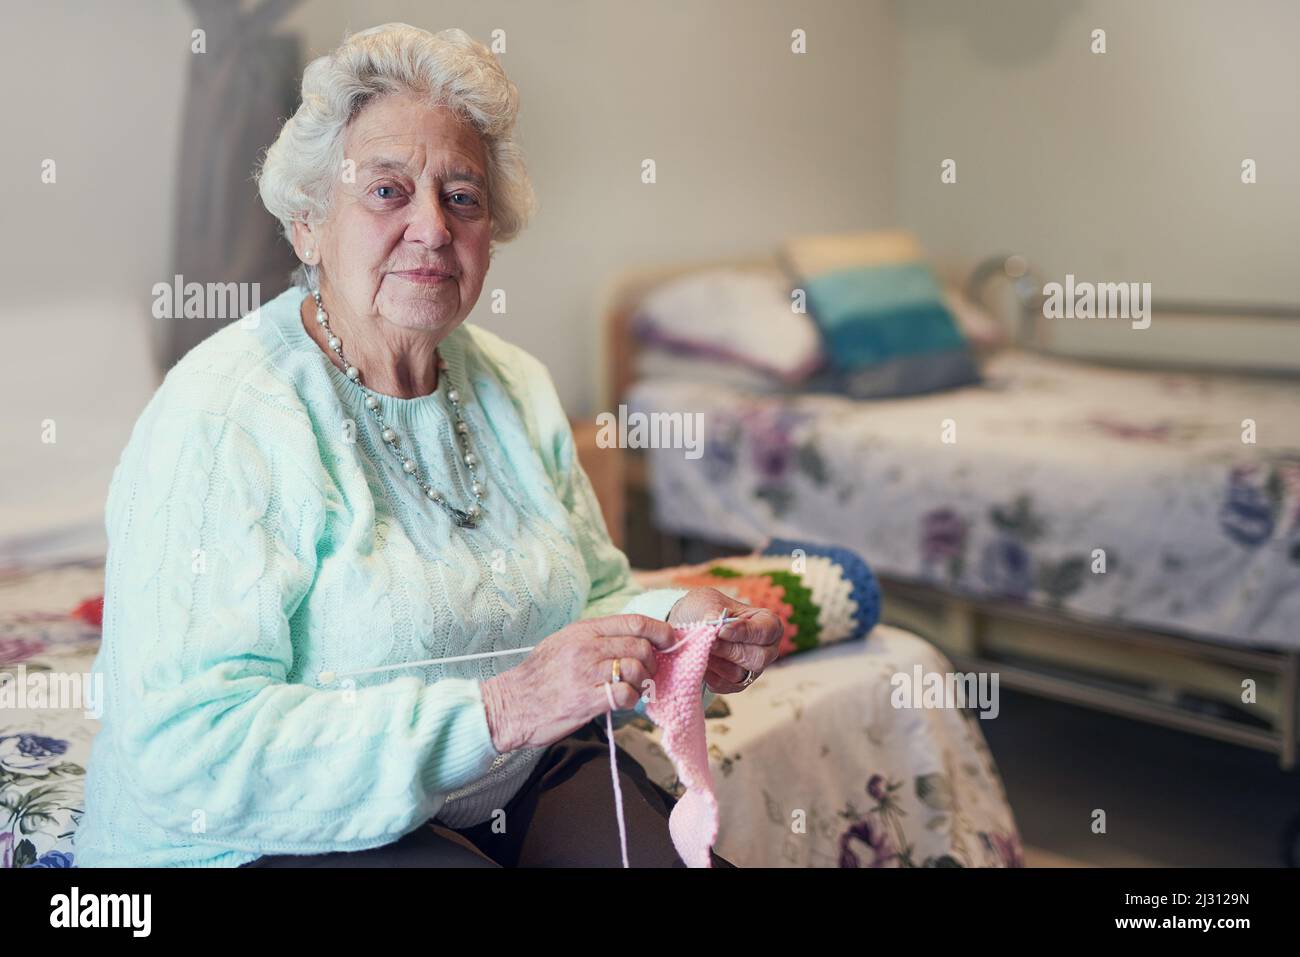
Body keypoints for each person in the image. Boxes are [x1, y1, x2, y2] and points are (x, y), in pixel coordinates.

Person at [77, 22, 780, 868]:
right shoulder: (225, 417)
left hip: (501, 779)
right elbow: (186, 752)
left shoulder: (514, 383)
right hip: (259, 835)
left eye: (461, 196)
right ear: (307, 225)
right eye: (385, 191)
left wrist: (679, 624)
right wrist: (502, 710)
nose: (432, 229)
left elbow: (592, 594)